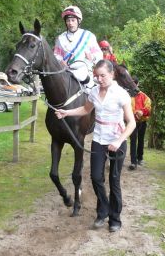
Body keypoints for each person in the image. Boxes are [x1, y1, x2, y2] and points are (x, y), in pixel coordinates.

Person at [55, 59, 136, 232]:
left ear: (112, 74)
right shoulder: (93, 92)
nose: (99, 79)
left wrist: (119, 140)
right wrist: (66, 112)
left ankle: (114, 219)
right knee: (95, 177)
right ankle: (104, 210)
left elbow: (131, 123)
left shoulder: (121, 94)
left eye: (103, 76)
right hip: (99, 139)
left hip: (117, 141)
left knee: (114, 181)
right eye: (96, 76)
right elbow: (85, 109)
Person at [54, 6, 103, 88]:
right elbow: (56, 55)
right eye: (68, 20)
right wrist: (60, 61)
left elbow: (99, 54)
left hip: (84, 72)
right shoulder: (60, 38)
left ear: (78, 21)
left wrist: (92, 57)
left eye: (73, 20)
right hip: (65, 71)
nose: (70, 23)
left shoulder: (88, 36)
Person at [129, 76, 152, 170]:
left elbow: (149, 108)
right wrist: (135, 113)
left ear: (138, 84)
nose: (133, 85)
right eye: (132, 83)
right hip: (132, 122)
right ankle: (133, 162)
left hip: (142, 121)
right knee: (133, 141)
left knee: (141, 140)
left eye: (135, 83)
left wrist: (142, 112)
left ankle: (140, 158)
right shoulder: (128, 96)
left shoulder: (144, 96)